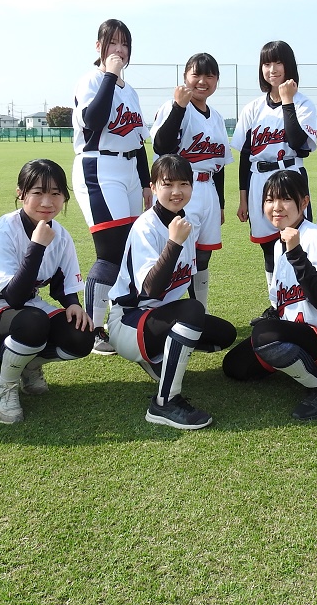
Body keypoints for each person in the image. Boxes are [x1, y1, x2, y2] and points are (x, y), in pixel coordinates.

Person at [0, 159, 96, 424]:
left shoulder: (60, 234)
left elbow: (64, 283)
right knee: (33, 321)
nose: (47, 202)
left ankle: (28, 364)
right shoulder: (2, 231)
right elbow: (14, 298)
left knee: (81, 335)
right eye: (38, 192)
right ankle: (4, 386)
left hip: (28, 309)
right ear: (20, 193)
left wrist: (73, 304)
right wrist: (37, 247)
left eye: (55, 193)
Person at [108, 155, 236, 430]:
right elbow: (151, 289)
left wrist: (195, 321)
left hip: (157, 317)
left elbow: (186, 278)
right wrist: (174, 243)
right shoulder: (146, 226)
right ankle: (164, 403)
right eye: (167, 184)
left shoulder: (184, 221)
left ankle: (159, 358)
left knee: (224, 334)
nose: (177, 191)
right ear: (154, 187)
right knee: (192, 311)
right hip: (129, 320)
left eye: (184, 184)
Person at [223, 170, 317, 420]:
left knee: (265, 335)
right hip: (303, 335)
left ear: (304, 202)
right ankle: (293, 361)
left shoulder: (314, 238)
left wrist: (297, 254)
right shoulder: (279, 245)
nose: (276, 207)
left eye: (285, 198)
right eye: (269, 199)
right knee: (235, 365)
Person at [71, 19, 152, 354]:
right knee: (110, 251)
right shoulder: (91, 80)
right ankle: (92, 330)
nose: (119, 50)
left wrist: (146, 183)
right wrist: (109, 75)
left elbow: (138, 139)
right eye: (113, 43)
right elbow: (93, 121)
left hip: (129, 168)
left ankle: (120, 317)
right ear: (99, 47)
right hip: (99, 166)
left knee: (129, 246)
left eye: (124, 44)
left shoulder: (130, 91)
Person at [231, 41, 317, 293]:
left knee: (297, 242)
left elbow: (298, 143)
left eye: (278, 62)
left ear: (289, 66)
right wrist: (243, 199)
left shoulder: (303, 104)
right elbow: (245, 156)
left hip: (290, 175)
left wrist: (287, 101)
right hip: (259, 180)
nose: (272, 69)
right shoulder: (253, 108)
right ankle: (276, 302)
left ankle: (301, 298)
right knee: (268, 248)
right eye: (266, 63)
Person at [150, 53, 232, 308]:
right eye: (196, 74)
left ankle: (200, 312)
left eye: (210, 76)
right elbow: (161, 146)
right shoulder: (174, 107)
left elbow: (219, 164)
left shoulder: (216, 117)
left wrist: (221, 204)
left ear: (217, 80)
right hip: (181, 187)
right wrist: (178, 107)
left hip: (208, 189)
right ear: (185, 77)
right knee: (174, 253)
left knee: (203, 255)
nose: (202, 81)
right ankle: (163, 311)